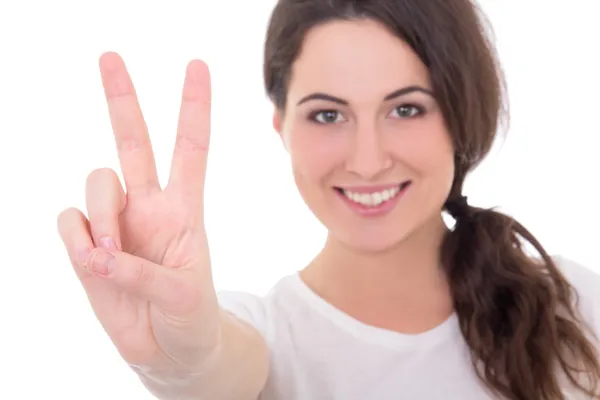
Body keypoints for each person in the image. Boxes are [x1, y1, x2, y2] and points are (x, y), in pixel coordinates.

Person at [57, 0, 600, 399]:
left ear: (461, 116)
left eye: (406, 109)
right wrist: (182, 361)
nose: (367, 161)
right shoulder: (264, 338)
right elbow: (214, 364)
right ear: (281, 127)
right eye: (328, 114)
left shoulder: (574, 307)